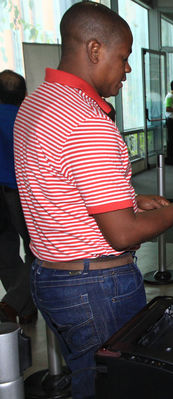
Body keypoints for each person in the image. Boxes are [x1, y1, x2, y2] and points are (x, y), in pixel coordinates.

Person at [12, 3, 173, 398]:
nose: (127, 69)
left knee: (85, 376)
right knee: (110, 388)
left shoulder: (35, 104)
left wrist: (128, 197)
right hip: (96, 285)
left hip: (50, 276)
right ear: (94, 49)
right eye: (123, 58)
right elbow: (123, 235)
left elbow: (57, 187)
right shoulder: (87, 122)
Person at [0, 70, 37, 324]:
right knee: (37, 251)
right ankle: (15, 302)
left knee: (5, 253)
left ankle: (21, 309)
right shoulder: (27, 120)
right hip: (21, 194)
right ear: (24, 95)